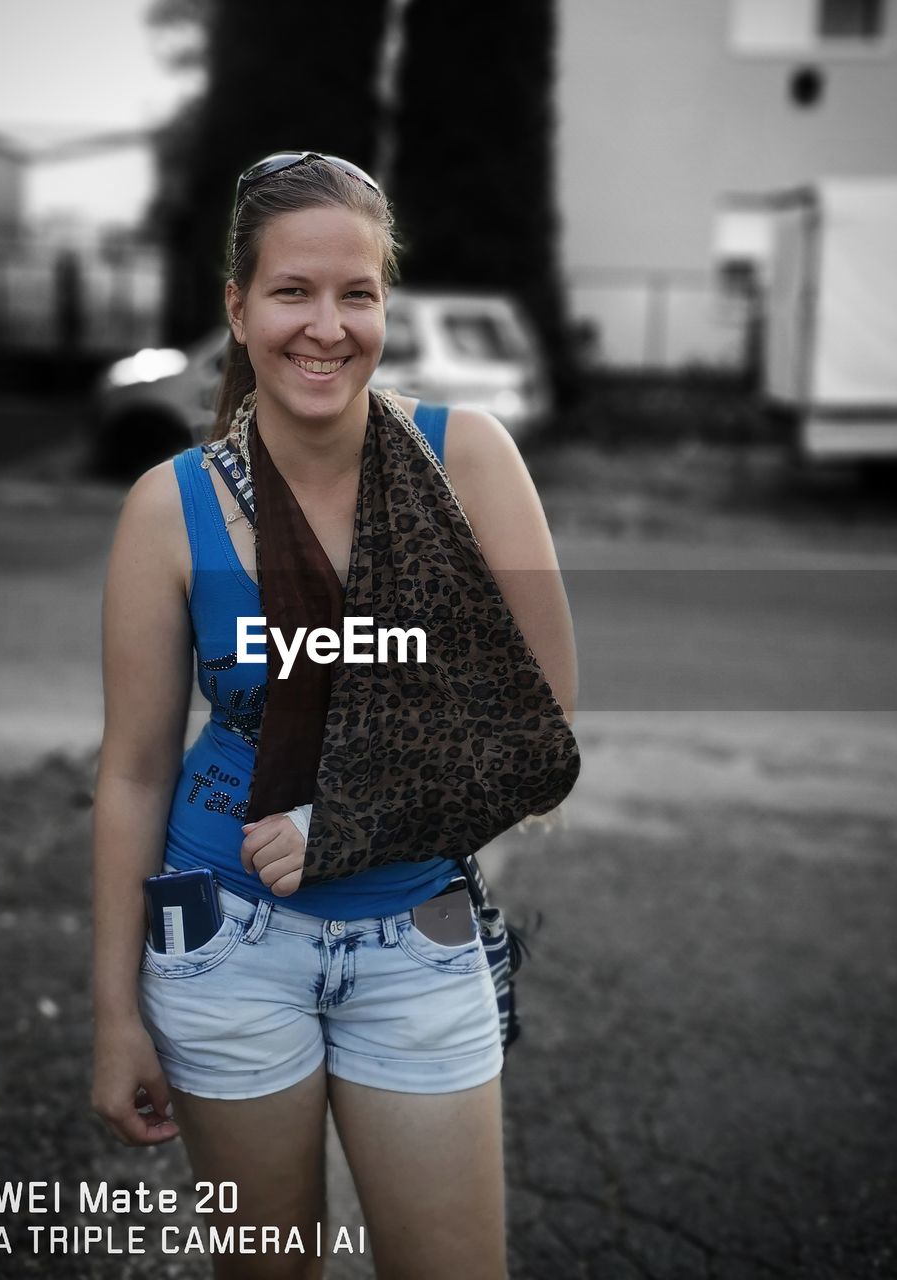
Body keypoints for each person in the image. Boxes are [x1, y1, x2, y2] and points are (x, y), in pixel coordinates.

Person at [91, 151, 578, 1280]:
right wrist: (114, 1015)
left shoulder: (471, 461)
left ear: (384, 304)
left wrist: (347, 818)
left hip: (416, 938)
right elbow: (130, 774)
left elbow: (538, 735)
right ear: (238, 307)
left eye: (355, 292)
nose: (326, 325)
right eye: (292, 291)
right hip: (221, 946)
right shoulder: (169, 507)